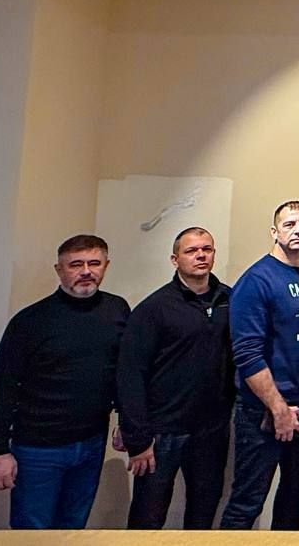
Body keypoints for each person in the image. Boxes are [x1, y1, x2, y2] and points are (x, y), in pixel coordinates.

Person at [0, 234, 129, 529]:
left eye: (94, 263)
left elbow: (124, 372)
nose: (86, 271)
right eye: (75, 264)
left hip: (91, 443)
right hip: (38, 450)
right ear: (59, 269)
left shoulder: (117, 310)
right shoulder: (30, 321)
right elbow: (2, 389)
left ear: (106, 265)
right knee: (32, 534)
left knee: (72, 530)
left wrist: (128, 421)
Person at [220, 201, 299, 530]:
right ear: (274, 232)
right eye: (289, 224)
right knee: (248, 501)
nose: (298, 230)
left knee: (295, 492)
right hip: (263, 409)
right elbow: (247, 355)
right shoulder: (256, 281)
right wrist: (278, 409)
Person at [117, 227, 233, 529]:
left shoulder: (230, 300)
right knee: (147, 519)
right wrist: (137, 438)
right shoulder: (153, 309)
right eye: (191, 251)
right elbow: (130, 375)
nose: (200, 256)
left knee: (203, 516)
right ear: (175, 259)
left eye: (207, 249)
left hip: (211, 430)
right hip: (161, 433)